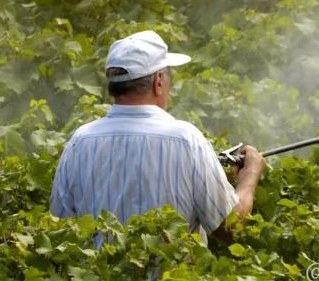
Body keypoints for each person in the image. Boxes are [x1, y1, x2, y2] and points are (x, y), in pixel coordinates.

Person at [49, 30, 265, 243]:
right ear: (158, 81)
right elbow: (230, 228)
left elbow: (60, 232)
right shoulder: (186, 140)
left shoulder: (79, 141)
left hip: (98, 279)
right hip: (170, 279)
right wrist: (250, 175)